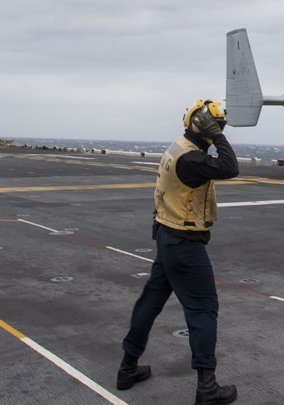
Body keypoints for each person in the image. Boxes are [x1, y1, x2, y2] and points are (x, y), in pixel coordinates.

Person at [117, 99, 240, 405]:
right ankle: (207, 387)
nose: (219, 131)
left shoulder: (177, 147)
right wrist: (219, 138)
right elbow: (230, 167)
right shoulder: (191, 160)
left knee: (150, 302)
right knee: (203, 309)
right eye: (216, 126)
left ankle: (127, 368)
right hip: (185, 244)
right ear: (205, 126)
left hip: (167, 237)